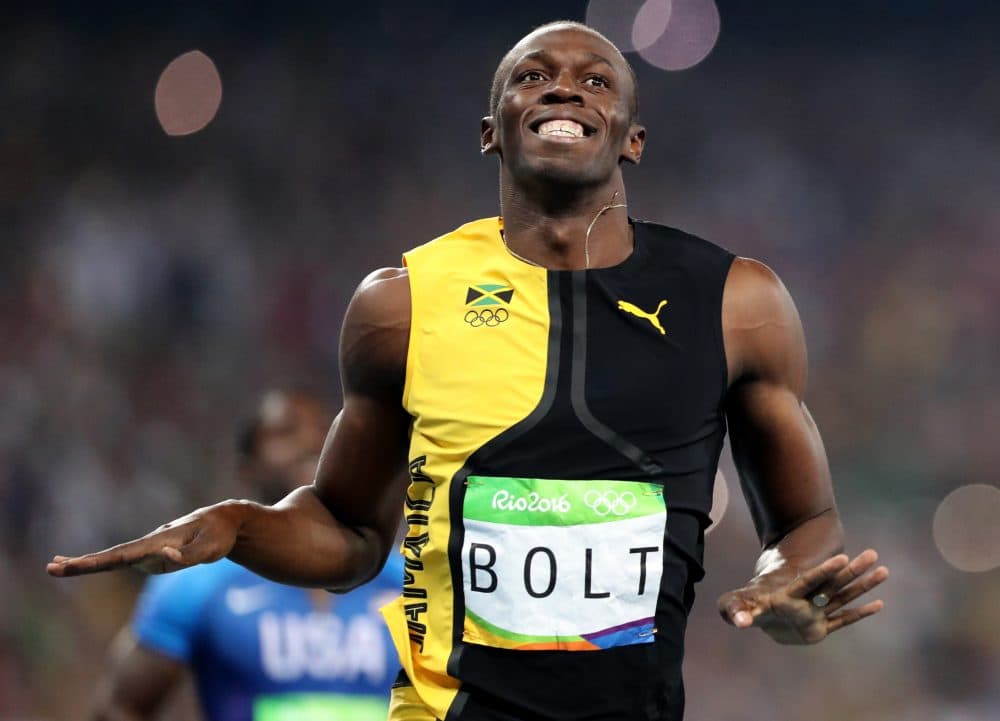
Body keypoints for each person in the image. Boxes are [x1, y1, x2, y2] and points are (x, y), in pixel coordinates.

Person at [50, 21, 890, 721]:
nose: (565, 88)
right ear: (492, 128)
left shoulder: (735, 302)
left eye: (598, 81)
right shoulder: (401, 304)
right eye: (533, 75)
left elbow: (806, 520)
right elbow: (350, 533)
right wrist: (237, 526)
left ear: (632, 139)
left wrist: (783, 590)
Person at [89, 389, 403, 721]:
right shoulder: (199, 583)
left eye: (326, 430)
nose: (313, 443)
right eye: (287, 432)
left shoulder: (406, 578)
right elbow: (118, 707)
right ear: (247, 469)